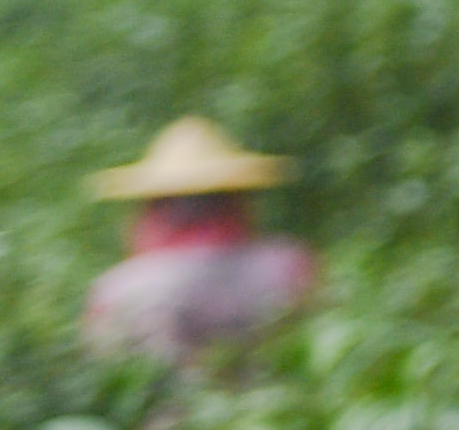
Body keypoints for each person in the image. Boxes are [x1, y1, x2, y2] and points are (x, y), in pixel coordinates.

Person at [78, 115, 320, 371]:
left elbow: (102, 373)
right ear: (236, 199)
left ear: (153, 206)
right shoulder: (289, 266)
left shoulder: (115, 291)